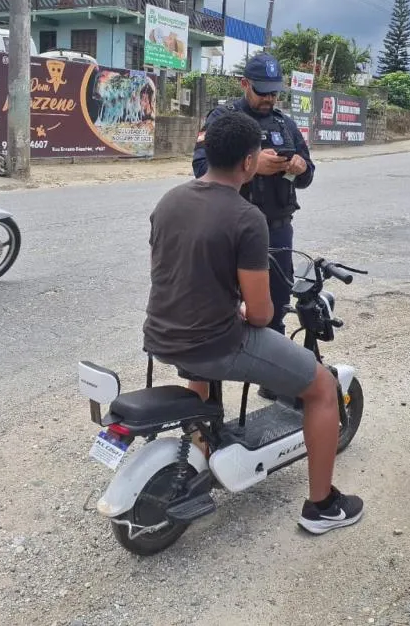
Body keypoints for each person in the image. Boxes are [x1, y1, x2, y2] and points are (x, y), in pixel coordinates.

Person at [146, 109, 364, 534]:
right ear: (249, 162)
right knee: (321, 387)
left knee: (205, 368)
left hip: (161, 335)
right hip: (215, 344)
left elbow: (174, 274)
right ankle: (322, 506)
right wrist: (244, 312)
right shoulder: (247, 218)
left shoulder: (169, 200)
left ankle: (203, 451)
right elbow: (263, 314)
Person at [192, 52, 315, 401]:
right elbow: (201, 168)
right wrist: (251, 166)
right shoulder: (224, 119)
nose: (269, 98)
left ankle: (273, 382)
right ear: (244, 84)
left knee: (275, 307)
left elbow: (308, 175)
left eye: (275, 92)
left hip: (277, 230)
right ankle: (208, 400)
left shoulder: (284, 124)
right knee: (219, 309)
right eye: (263, 91)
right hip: (230, 229)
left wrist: (299, 166)